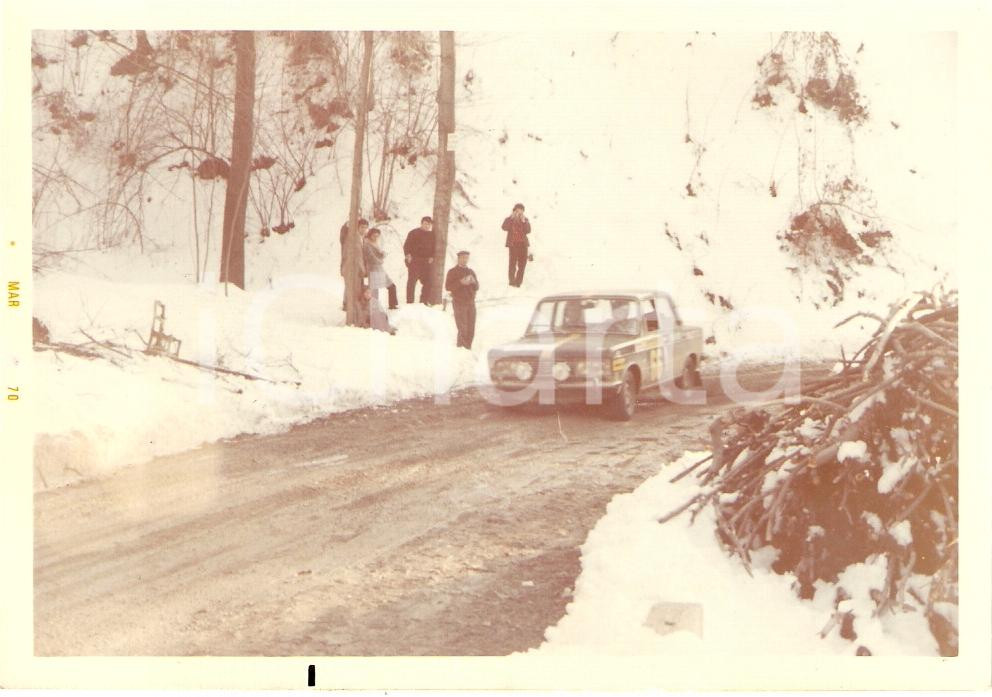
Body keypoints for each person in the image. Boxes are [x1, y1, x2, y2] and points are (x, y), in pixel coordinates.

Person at [364, 228, 398, 333]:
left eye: (377, 235)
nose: (375, 237)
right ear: (370, 235)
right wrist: (380, 259)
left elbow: (378, 254)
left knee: (391, 286)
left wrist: (382, 254)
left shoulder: (375, 243)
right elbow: (370, 257)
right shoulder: (367, 244)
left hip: (378, 268)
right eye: (374, 235)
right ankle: (373, 315)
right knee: (374, 292)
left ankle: (392, 305)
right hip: (373, 268)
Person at [445, 250, 479, 349]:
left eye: (466, 258)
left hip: (471, 302)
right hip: (459, 302)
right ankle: (461, 349)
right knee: (462, 327)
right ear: (458, 258)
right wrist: (460, 282)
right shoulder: (452, 271)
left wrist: (473, 282)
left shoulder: (471, 271)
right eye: (463, 258)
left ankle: (468, 348)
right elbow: (448, 287)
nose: (465, 260)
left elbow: (477, 287)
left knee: (471, 327)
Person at [403, 215, 435, 304]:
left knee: (428, 282)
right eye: (425, 224)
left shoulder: (431, 235)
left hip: (426, 262)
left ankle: (423, 301)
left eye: (429, 225)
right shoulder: (414, 233)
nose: (427, 226)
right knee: (412, 282)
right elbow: (406, 246)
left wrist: (432, 256)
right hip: (415, 261)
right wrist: (408, 255)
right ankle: (410, 302)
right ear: (421, 223)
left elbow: (433, 248)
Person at [339, 218, 369, 311]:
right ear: (357, 227)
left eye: (365, 228)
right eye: (362, 227)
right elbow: (357, 256)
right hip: (351, 267)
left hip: (353, 267)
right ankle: (348, 306)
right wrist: (362, 269)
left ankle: (347, 304)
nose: (364, 230)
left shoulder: (361, 238)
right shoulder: (353, 238)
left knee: (350, 286)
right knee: (352, 286)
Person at [501, 202, 531, 287]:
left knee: (522, 264)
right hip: (513, 244)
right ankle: (511, 281)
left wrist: (524, 221)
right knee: (512, 263)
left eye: (521, 211)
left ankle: (518, 282)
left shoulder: (525, 220)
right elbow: (504, 227)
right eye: (517, 210)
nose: (519, 212)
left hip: (523, 244)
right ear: (514, 211)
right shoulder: (510, 219)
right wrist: (511, 218)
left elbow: (528, 231)